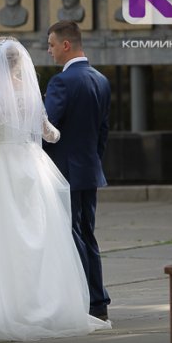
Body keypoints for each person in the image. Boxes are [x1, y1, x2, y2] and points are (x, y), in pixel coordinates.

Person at [0, 36, 111, 342]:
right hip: (30, 168)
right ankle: (38, 304)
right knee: (34, 238)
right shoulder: (31, 95)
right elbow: (50, 134)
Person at [44, 20, 112, 321]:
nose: (49, 51)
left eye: (51, 45)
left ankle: (83, 301)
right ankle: (97, 302)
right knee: (87, 235)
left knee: (71, 236)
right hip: (88, 170)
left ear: (66, 45)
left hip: (64, 173)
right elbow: (103, 132)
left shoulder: (61, 82)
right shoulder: (101, 79)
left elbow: (47, 127)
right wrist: (92, 162)